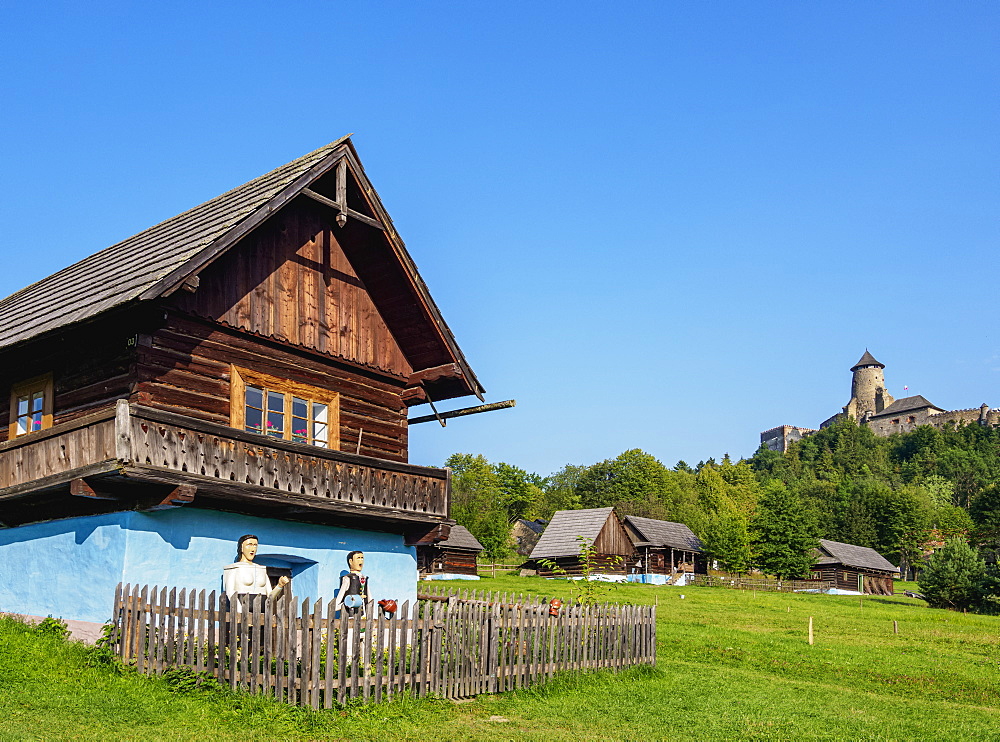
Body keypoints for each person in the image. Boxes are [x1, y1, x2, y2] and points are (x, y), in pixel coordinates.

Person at [222, 534, 290, 602]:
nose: (253, 549)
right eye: (249, 545)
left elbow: (270, 598)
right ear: (241, 548)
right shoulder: (234, 569)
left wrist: (279, 586)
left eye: (255, 545)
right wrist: (239, 611)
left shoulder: (261, 570)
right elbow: (230, 592)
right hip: (241, 609)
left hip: (261, 610)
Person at [334, 550, 369, 617]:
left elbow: (369, 598)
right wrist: (351, 601)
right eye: (358, 558)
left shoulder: (364, 578)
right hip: (350, 617)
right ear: (350, 561)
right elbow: (337, 605)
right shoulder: (348, 578)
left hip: (364, 616)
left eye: (362, 558)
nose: (361, 560)